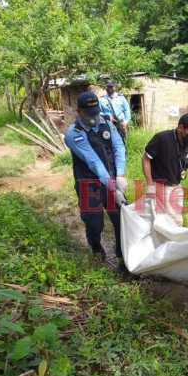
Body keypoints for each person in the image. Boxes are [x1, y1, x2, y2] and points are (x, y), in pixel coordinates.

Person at [64, 91, 129, 273]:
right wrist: (113, 187)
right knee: (94, 223)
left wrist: (120, 175)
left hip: (112, 181)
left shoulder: (107, 123)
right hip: (89, 184)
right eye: (90, 113)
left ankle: (123, 257)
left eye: (96, 112)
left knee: (122, 219)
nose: (94, 116)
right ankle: (96, 248)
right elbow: (94, 161)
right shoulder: (73, 134)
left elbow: (118, 147)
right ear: (79, 111)